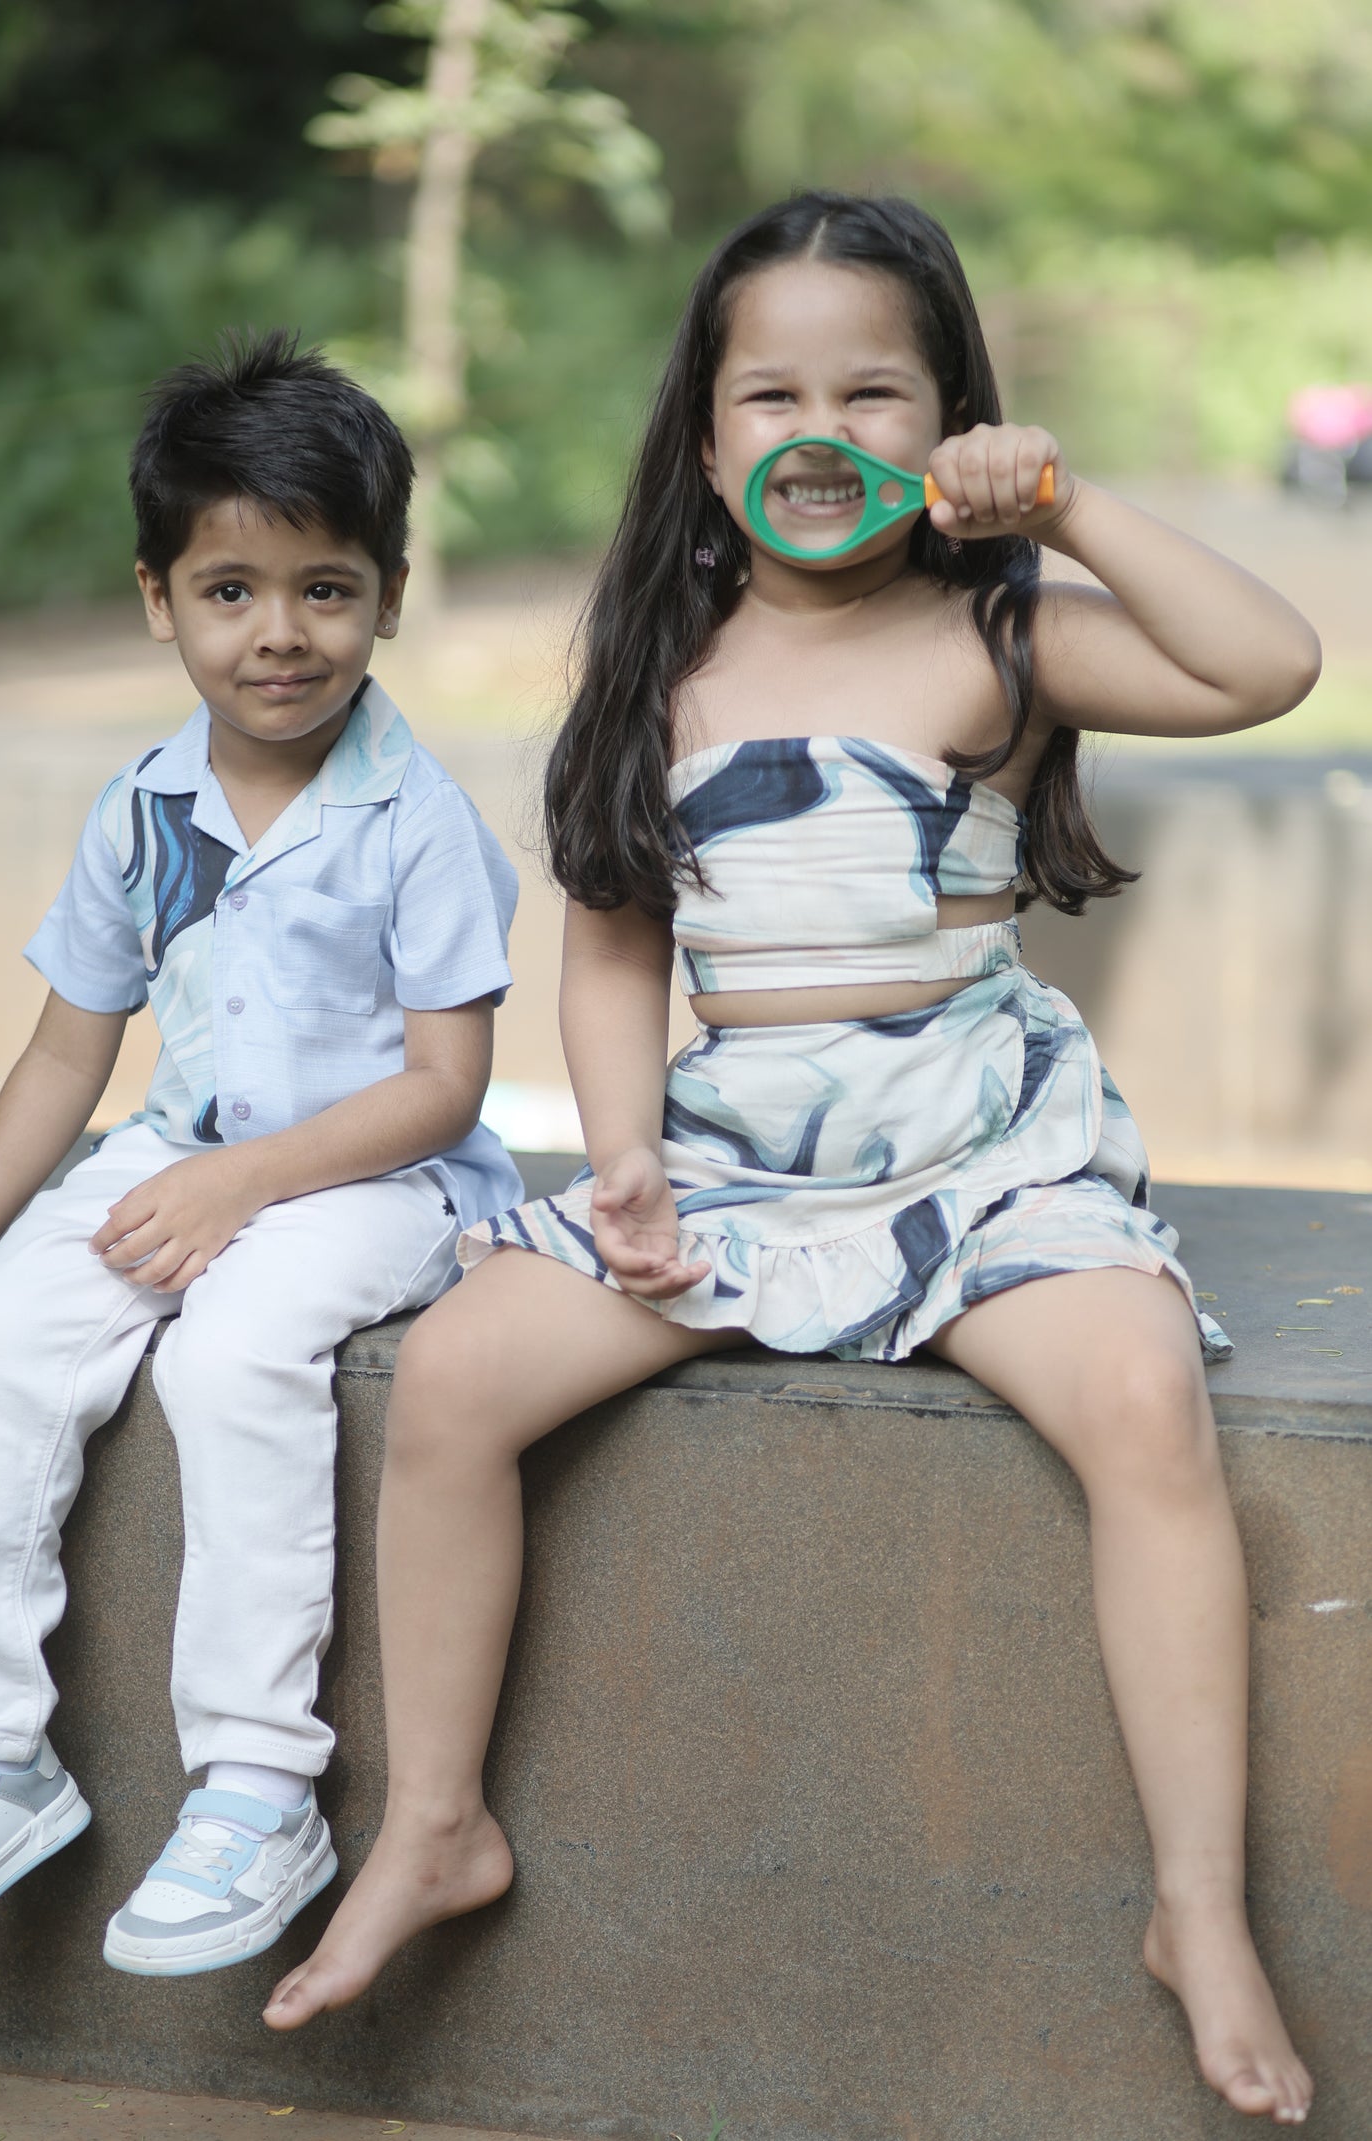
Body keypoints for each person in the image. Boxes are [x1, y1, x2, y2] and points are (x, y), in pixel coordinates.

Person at [263, 196, 1317, 2123]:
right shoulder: (666, 664)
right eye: (771, 390)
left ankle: (1196, 1902)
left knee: (1144, 1402)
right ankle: (431, 1821)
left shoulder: (999, 632)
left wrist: (1063, 509)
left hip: (982, 1151)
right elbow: (611, 939)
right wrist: (630, 1158)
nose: (815, 425)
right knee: (456, 1385)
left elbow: (1268, 666)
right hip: (742, 1156)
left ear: (948, 426)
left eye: (872, 391)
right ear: (704, 431)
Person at [0, 330, 522, 1977]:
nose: (280, 633)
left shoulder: (416, 823)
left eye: (325, 589)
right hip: (180, 1150)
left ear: (388, 594)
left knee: (237, 1349)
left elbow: (447, 1088)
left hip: (382, 1181)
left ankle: (260, 1784)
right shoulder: (140, 809)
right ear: (157, 598)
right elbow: (69, 1046)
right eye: (231, 589)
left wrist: (238, 1188)